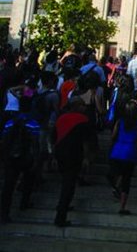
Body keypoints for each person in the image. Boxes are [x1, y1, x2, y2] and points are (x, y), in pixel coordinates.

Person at [53, 97, 95, 227]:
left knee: (66, 182)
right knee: (69, 185)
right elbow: (86, 141)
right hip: (73, 155)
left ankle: (63, 206)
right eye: (82, 105)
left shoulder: (61, 118)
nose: (85, 107)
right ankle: (61, 215)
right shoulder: (82, 120)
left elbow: (54, 137)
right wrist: (87, 158)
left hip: (60, 154)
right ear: (76, 106)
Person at [1, 109, 40, 223]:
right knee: (28, 180)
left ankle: (4, 213)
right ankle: (24, 202)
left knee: (8, 186)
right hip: (26, 157)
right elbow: (35, 143)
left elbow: (4, 140)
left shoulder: (10, 123)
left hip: (11, 158)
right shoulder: (32, 123)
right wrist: (36, 160)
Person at [108, 100, 137, 215]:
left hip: (117, 150)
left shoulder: (120, 122)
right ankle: (122, 206)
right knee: (127, 179)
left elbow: (113, 136)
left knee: (119, 173)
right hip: (130, 151)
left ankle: (116, 186)